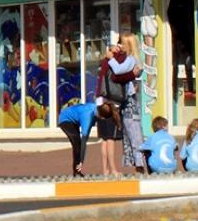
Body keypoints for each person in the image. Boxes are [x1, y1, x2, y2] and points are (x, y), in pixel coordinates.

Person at [103, 34, 144, 172]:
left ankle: (139, 165)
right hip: (127, 100)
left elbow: (119, 70)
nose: (121, 46)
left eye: (124, 44)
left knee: (133, 131)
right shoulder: (131, 60)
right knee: (128, 134)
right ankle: (136, 164)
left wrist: (111, 58)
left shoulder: (131, 60)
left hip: (130, 101)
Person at [57, 102, 96, 177]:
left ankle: (77, 170)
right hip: (64, 119)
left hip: (74, 121)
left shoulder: (92, 112)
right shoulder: (87, 114)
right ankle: (76, 171)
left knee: (78, 144)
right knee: (77, 143)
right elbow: (84, 139)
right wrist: (81, 160)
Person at [96, 102, 124, 176]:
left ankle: (105, 170)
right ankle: (113, 170)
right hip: (111, 107)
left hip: (100, 105)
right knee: (110, 138)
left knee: (105, 138)